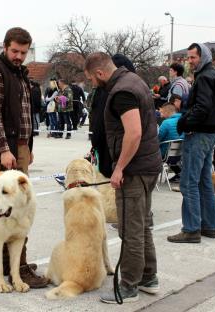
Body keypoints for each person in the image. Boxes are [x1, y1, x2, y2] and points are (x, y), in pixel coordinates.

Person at [84, 52, 161, 303]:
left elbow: (134, 133)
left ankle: (128, 287)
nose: (93, 85)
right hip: (148, 166)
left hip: (134, 170)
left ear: (99, 73)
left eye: (91, 80)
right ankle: (148, 277)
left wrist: (120, 169)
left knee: (130, 229)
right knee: (142, 224)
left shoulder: (121, 92)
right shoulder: (134, 80)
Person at [0, 27, 48, 289]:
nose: (19, 56)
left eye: (23, 52)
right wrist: (5, 150)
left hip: (19, 147)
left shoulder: (20, 73)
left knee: (18, 205)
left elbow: (25, 114)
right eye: (15, 51)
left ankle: (12, 263)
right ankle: (18, 268)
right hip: (3, 147)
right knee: (15, 206)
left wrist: (27, 147)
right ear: (4, 46)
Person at [167, 43, 215, 243]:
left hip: (200, 134)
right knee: (204, 181)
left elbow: (202, 107)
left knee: (189, 182)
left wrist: (185, 122)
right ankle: (209, 226)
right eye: (189, 58)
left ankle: (191, 229)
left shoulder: (204, 78)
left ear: (204, 57)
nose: (190, 61)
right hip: (211, 133)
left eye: (193, 57)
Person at [158, 103, 184, 182]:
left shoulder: (166, 123)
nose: (161, 115)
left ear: (167, 112)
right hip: (180, 153)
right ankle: (180, 174)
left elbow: (158, 139)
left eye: (162, 112)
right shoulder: (184, 120)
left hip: (165, 154)